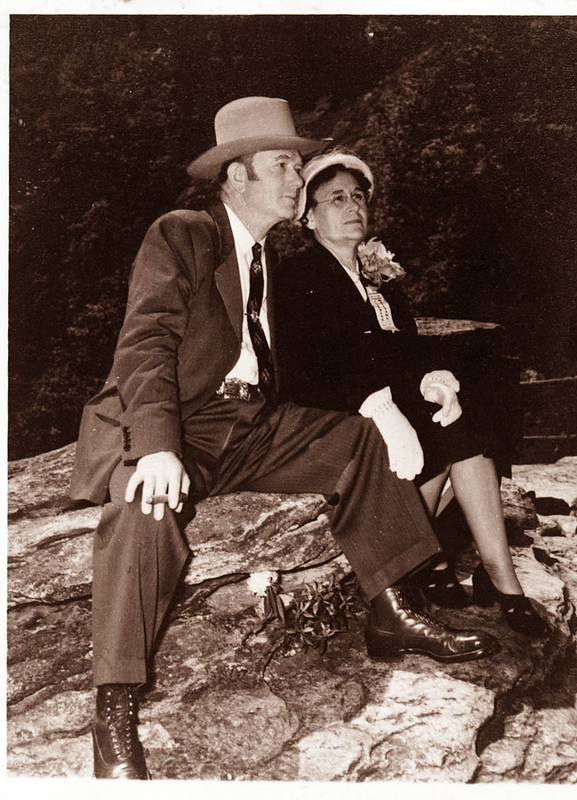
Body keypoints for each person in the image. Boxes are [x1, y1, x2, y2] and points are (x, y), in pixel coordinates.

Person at [70, 98, 499, 780]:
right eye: (282, 165)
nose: (296, 178)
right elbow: (145, 340)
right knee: (143, 512)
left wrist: (382, 398)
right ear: (235, 177)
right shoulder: (183, 232)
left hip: (252, 424)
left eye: (297, 165)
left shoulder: (270, 254)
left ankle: (392, 608)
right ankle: (113, 710)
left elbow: (293, 362)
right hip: (179, 420)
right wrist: (155, 446)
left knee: (362, 441)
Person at [274, 148, 550, 637]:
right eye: (336, 198)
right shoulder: (301, 277)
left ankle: (460, 572)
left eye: (358, 196)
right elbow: (312, 370)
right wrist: (385, 404)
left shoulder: (377, 276)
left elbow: (404, 350)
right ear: (308, 216)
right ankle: (491, 583)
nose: (353, 205)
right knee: (458, 432)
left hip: (388, 401)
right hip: (336, 415)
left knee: (469, 411)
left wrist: (434, 380)